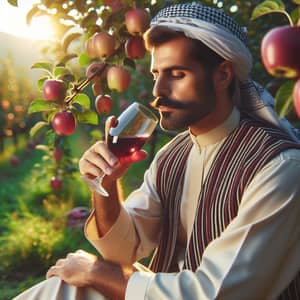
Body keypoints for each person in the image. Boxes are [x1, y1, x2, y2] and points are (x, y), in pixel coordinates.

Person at [15, 2, 300, 300]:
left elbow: (215, 293)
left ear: (223, 75)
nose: (157, 90)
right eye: (155, 75)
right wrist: (106, 188)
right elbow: (125, 248)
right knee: (68, 286)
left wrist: (96, 272)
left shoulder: (279, 166)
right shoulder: (173, 156)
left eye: (176, 74)